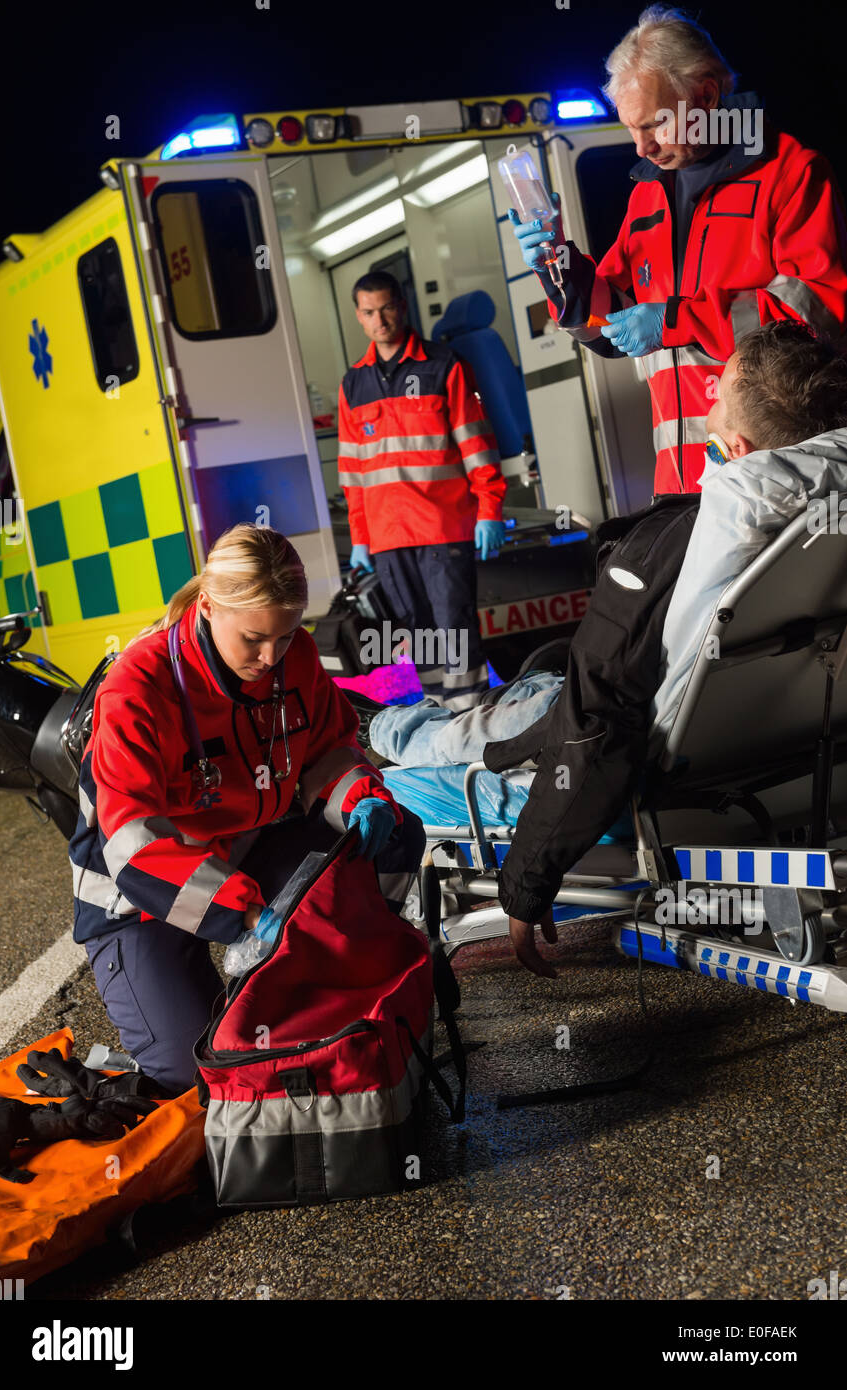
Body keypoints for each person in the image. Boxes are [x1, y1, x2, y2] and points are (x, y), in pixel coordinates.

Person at [494, 321, 847, 975]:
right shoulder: (825, 527)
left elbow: (591, 724)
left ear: (732, 446)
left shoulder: (672, 544)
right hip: (795, 749)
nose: (702, 414)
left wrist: (526, 877)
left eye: (710, 404)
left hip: (594, 738)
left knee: (416, 736)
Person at [69, 524, 425, 1094]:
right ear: (208, 607)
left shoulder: (295, 657)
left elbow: (330, 752)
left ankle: (342, 972)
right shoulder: (137, 687)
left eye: (286, 636)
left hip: (245, 856)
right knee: (199, 1077)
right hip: (137, 897)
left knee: (395, 835)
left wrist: (362, 796)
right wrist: (247, 917)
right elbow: (134, 850)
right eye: (255, 639)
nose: (272, 658)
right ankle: (134, 1061)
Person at [511, 4, 847, 495]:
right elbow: (607, 327)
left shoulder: (790, 173)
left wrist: (675, 321)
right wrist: (557, 263)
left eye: (652, 125)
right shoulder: (648, 193)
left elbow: (818, 312)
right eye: (630, 128)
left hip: (776, 475)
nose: (640, 147)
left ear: (706, 96)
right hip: (680, 484)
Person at [338, 270, 506, 710]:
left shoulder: (442, 365)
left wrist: (489, 510)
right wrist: (360, 539)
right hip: (388, 538)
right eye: (370, 312)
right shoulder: (353, 384)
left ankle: (472, 717)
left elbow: (476, 445)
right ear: (359, 316)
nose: (381, 320)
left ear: (403, 306)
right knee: (418, 633)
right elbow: (353, 473)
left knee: (453, 627)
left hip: (442, 527)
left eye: (388, 308)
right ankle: (440, 714)